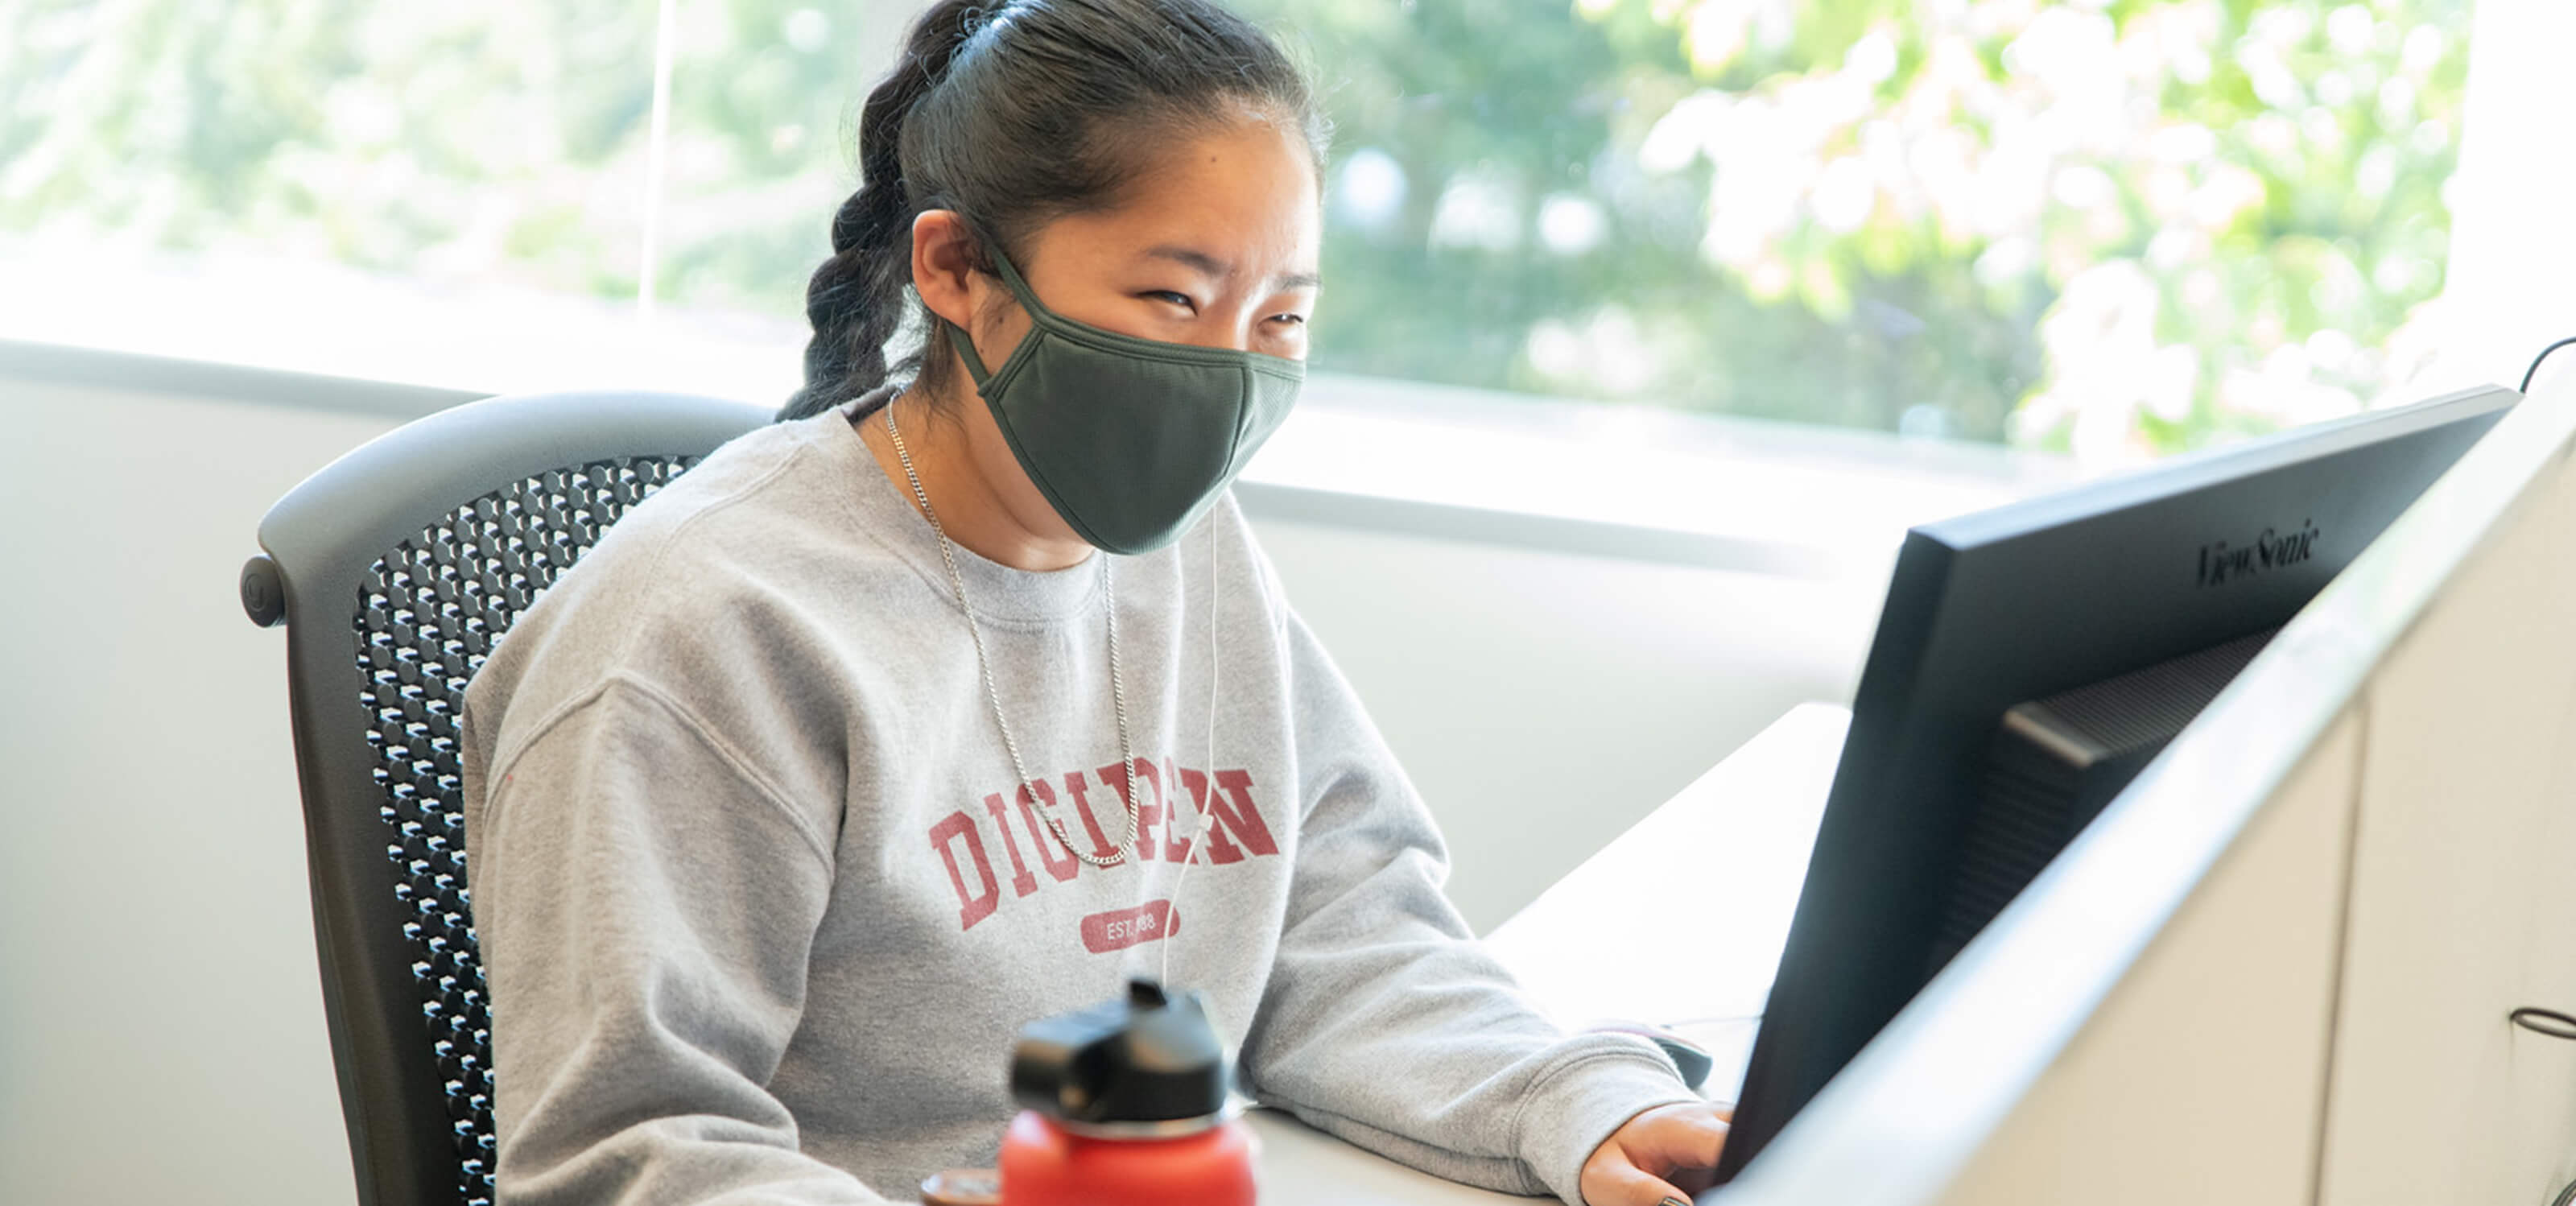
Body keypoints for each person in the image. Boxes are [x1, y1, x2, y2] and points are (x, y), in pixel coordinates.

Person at [456, 1, 1733, 1203]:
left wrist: (1575, 1104)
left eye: (1280, 317)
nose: (1225, 375)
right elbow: (627, 1153)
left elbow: (1332, 928)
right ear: (959, 268)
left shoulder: (1185, 553)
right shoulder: (708, 630)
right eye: (1172, 298)